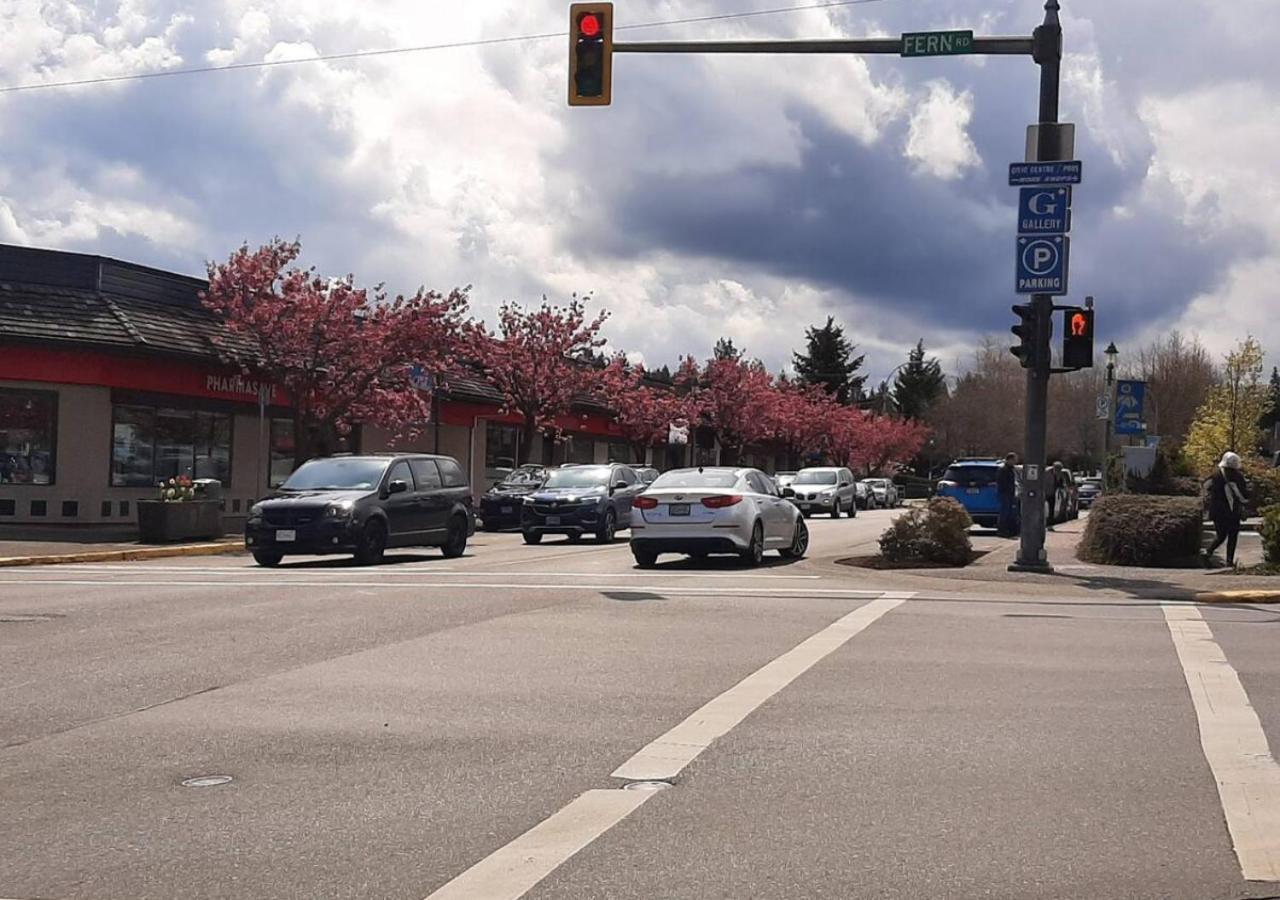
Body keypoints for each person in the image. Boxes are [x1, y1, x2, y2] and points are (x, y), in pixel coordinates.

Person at [1205, 451, 1249, 566]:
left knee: (1221, 535)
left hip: (1218, 511)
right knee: (1233, 536)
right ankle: (1229, 560)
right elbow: (1244, 494)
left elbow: (1206, 487)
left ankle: (1208, 552)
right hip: (1233, 511)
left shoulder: (1216, 475)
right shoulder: (1238, 476)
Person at [997, 452, 1019, 538]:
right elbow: (1001, 482)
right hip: (1005, 494)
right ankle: (1002, 530)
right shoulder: (1003, 469)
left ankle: (1010, 530)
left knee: (1010, 512)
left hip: (1011, 494)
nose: (1015, 461)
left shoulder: (1012, 469)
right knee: (1004, 512)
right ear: (1009, 460)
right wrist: (1007, 490)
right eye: (1014, 460)